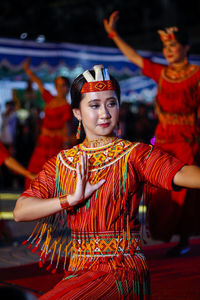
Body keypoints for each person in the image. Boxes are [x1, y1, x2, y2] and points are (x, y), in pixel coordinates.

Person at [14, 65, 200, 299]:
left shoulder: (135, 154)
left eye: (111, 103)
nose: (105, 113)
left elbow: (182, 174)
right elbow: (21, 211)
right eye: (94, 105)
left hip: (122, 271)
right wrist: (69, 199)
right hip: (78, 270)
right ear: (77, 113)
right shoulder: (62, 162)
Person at [104, 11, 200, 256]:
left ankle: (184, 240)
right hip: (163, 139)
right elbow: (134, 56)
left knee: (184, 194)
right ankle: (168, 237)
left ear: (186, 47)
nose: (168, 49)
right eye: (165, 45)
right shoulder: (161, 73)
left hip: (188, 139)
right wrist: (114, 34)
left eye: (173, 45)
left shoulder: (197, 75)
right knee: (159, 190)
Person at [23, 58, 73, 188]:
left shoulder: (67, 106)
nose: (61, 88)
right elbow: (39, 84)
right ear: (55, 86)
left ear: (67, 87)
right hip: (43, 143)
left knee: (52, 174)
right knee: (35, 171)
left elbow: (66, 130)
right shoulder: (49, 99)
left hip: (56, 145)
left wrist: (66, 149)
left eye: (63, 85)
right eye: (58, 85)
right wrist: (28, 71)